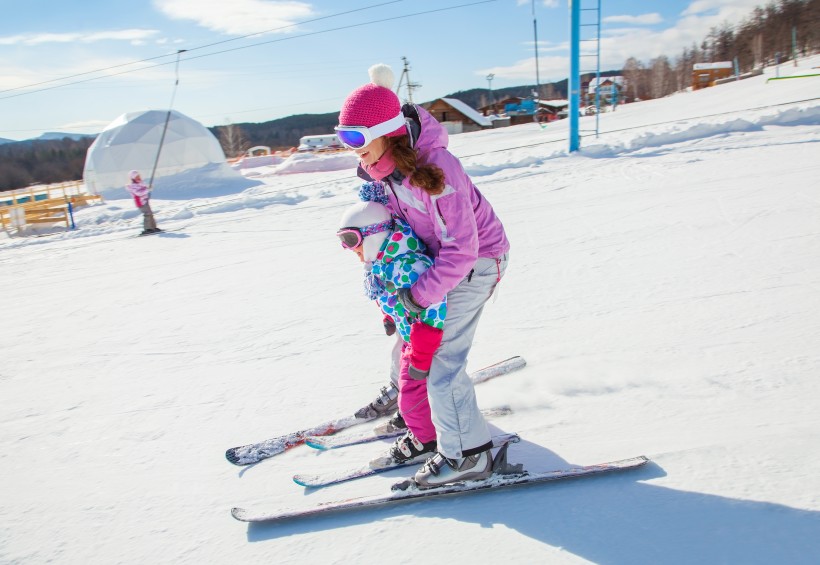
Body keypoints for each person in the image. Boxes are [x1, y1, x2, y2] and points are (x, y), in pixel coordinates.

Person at [336, 64, 510, 488]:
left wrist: (420, 296)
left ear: (388, 131)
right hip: (438, 260)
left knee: (441, 364)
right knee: (409, 341)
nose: (353, 150)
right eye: (346, 139)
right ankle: (419, 416)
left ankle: (468, 457)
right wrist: (397, 296)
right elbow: (400, 235)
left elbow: (463, 249)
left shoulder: (437, 168)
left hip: (476, 262)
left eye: (358, 138)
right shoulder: (383, 172)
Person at [337, 184, 446, 466]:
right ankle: (415, 414)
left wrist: (421, 351)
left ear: (377, 234)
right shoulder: (386, 262)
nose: (351, 250)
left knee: (412, 389)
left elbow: (434, 309)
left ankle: (425, 440)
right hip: (412, 337)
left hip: (426, 343)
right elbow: (390, 297)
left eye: (352, 240)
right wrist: (389, 317)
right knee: (400, 371)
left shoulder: (409, 265)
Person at [126, 170, 161, 236]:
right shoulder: (133, 186)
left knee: (150, 214)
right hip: (140, 202)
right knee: (147, 214)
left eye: (139, 176)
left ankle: (153, 227)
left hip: (144, 200)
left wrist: (148, 188)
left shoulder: (140, 183)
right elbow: (139, 193)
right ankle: (148, 228)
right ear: (133, 178)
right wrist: (147, 190)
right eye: (137, 176)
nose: (139, 177)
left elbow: (144, 189)